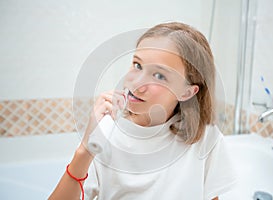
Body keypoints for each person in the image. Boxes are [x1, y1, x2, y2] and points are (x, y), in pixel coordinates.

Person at [49, 22, 236, 200]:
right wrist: (84, 151)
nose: (136, 83)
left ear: (186, 92)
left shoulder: (205, 139)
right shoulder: (106, 135)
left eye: (159, 75)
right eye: (137, 65)